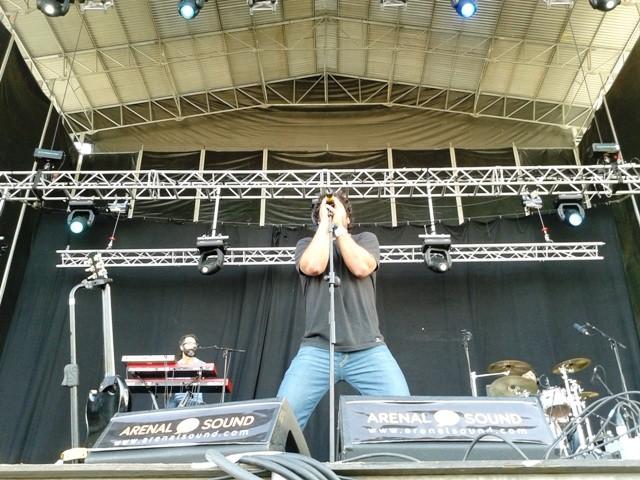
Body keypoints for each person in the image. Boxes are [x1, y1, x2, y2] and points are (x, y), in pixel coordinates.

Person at [277, 191, 410, 429]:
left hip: (368, 349)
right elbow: (314, 266)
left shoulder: (366, 240)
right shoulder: (306, 245)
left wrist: (338, 228)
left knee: (402, 417)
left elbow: (361, 267)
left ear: (348, 218)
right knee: (282, 422)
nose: (331, 214)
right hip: (317, 351)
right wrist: (324, 225)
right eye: (326, 211)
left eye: (336, 210)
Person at [166, 333, 207, 408]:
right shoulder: (174, 366)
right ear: (181, 347)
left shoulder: (202, 365)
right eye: (189, 343)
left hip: (195, 402)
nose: (192, 346)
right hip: (177, 403)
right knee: (170, 406)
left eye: (194, 344)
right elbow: (167, 393)